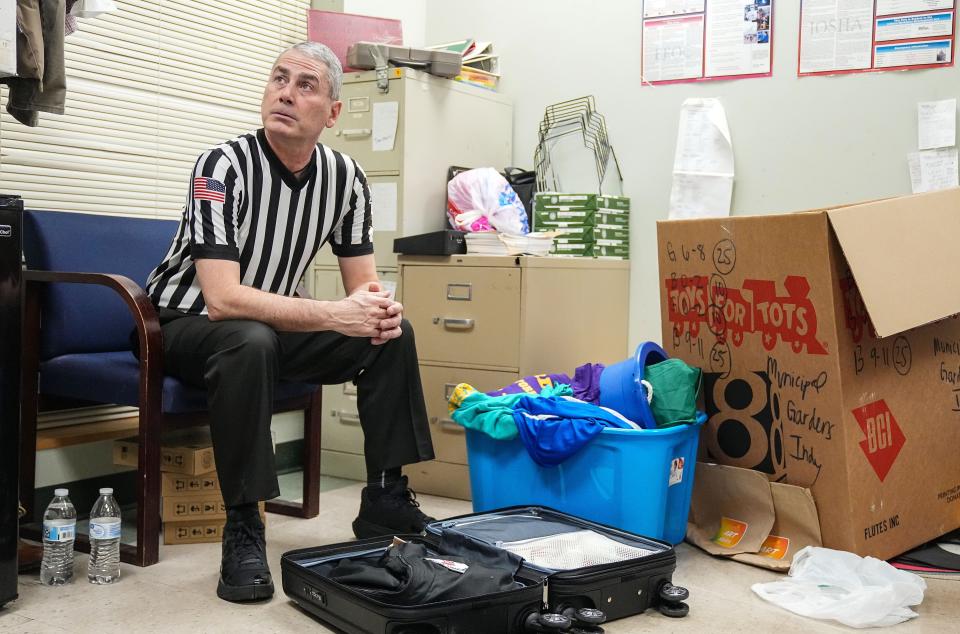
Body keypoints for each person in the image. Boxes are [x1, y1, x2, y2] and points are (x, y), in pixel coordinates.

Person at [143, 41, 435, 603]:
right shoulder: (221, 166)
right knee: (248, 341)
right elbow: (224, 299)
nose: (285, 92)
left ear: (331, 113)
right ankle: (245, 523)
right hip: (180, 324)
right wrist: (333, 314)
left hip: (269, 327)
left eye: (306, 86)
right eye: (279, 79)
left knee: (390, 334)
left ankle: (384, 497)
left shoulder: (346, 178)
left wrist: (376, 309)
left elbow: (362, 288)